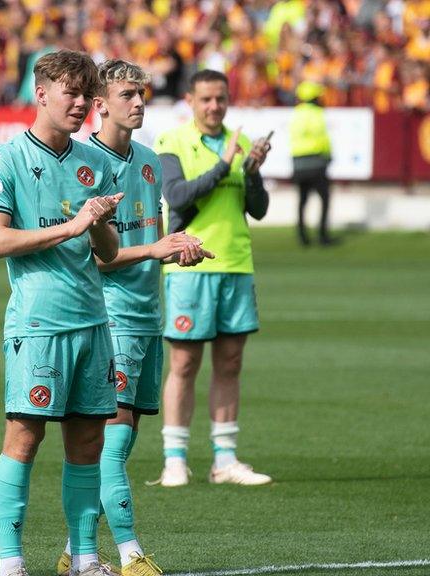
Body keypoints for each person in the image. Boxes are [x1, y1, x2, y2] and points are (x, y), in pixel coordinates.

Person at [54, 59, 212, 576]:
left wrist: (180, 248)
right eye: (128, 95)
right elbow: (97, 255)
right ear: (100, 104)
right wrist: (155, 250)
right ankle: (129, 554)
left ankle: (74, 548)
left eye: (141, 94)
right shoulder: (83, 164)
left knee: (116, 444)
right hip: (109, 319)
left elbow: (153, 237)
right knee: (112, 448)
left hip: (148, 317)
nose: (139, 103)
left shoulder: (147, 160)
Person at [0, 49, 125, 576]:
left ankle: (84, 559)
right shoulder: (4, 159)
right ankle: (10, 563)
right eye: (71, 92)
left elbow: (106, 254)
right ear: (41, 93)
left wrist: (100, 220)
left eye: (87, 95)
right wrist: (72, 226)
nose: (81, 103)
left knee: (88, 440)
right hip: (38, 325)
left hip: (92, 323)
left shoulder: (98, 162)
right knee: (24, 436)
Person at [153, 69, 272, 487]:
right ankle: (174, 458)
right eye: (205, 99)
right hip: (189, 265)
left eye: (220, 98)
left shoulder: (239, 146)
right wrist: (225, 165)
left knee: (231, 363)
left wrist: (252, 171)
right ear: (190, 100)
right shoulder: (173, 141)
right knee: (183, 362)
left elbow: (257, 210)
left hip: (235, 264)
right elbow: (177, 195)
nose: (214, 106)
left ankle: (224, 459)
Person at [289, 81, 335, 246]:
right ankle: (323, 235)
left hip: (298, 163)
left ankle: (302, 236)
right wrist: (329, 155)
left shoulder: (296, 113)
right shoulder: (317, 113)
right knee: (325, 198)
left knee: (302, 200)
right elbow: (323, 137)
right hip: (316, 162)